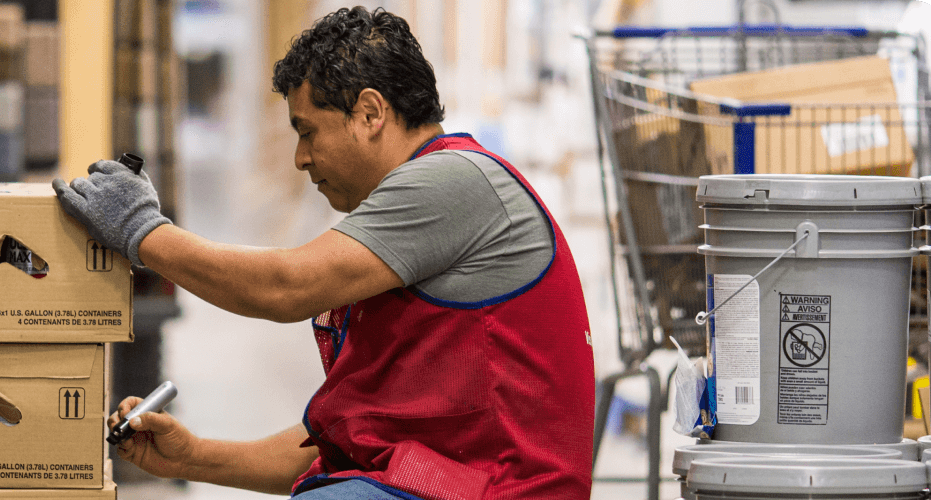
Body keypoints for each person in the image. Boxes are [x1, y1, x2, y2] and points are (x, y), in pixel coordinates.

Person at [52, 6, 594, 500]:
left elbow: (286, 286)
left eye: (308, 131)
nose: (300, 159)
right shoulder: (415, 219)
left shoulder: (453, 182)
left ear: (369, 113)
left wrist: (142, 230)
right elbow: (351, 445)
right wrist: (193, 457)